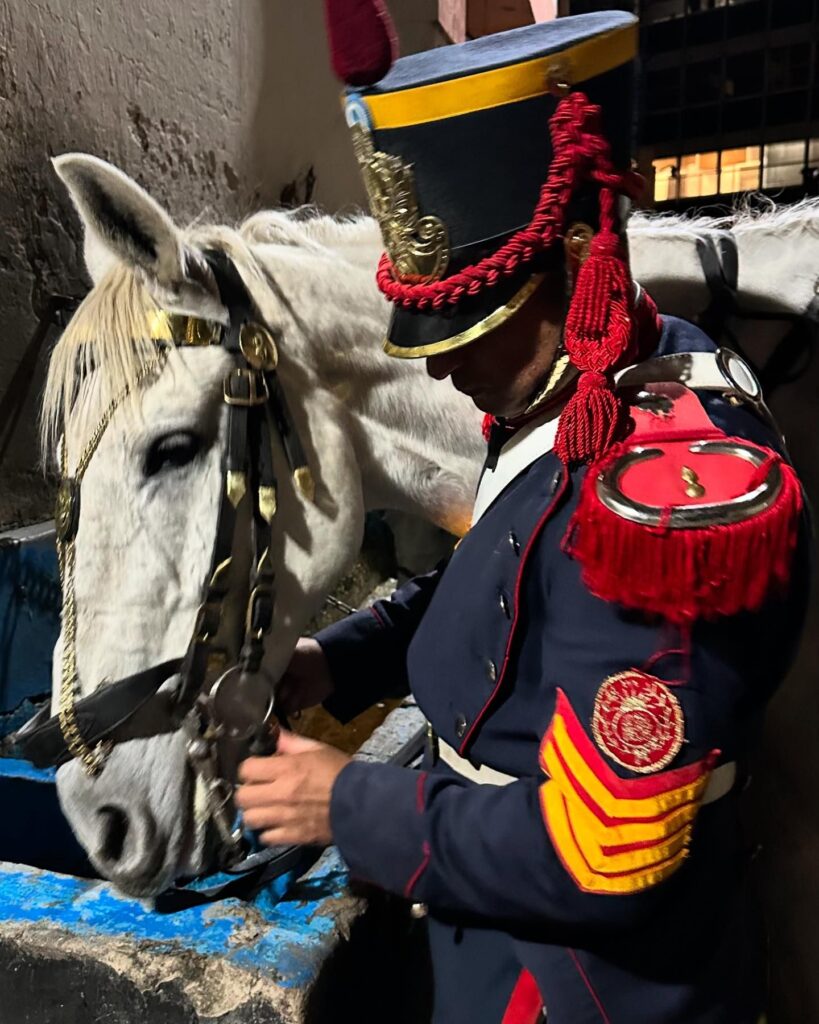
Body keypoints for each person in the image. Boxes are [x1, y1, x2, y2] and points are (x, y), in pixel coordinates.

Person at [236, 4, 810, 1021]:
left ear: (582, 256)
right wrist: (343, 657)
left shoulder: (669, 495)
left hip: (575, 985)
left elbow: (604, 851)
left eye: (476, 316)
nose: (443, 358)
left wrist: (349, 802)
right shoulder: (580, 380)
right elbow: (510, 573)